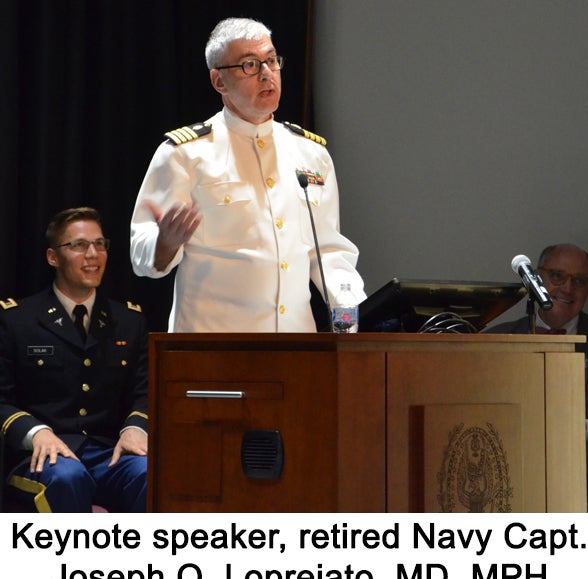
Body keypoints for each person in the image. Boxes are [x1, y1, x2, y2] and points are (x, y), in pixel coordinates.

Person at [130, 17, 365, 333]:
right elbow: (141, 250)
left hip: (296, 348)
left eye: (271, 60)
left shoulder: (311, 154)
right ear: (219, 81)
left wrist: (347, 312)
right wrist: (164, 244)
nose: (267, 74)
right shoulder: (186, 154)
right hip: (213, 349)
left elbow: (328, 249)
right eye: (249, 65)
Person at [0, 207, 148, 512]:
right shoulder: (17, 320)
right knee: (68, 477)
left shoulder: (128, 321)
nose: (93, 254)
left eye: (100, 244)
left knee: (147, 472)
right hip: (41, 457)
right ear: (53, 257)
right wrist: (35, 432)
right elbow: (2, 398)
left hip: (110, 452)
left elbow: (144, 392)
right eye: (79, 245)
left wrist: (136, 427)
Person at [487, 243, 588, 511]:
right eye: (557, 276)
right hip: (509, 488)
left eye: (579, 281)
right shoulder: (494, 340)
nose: (567, 288)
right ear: (537, 278)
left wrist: (581, 428)